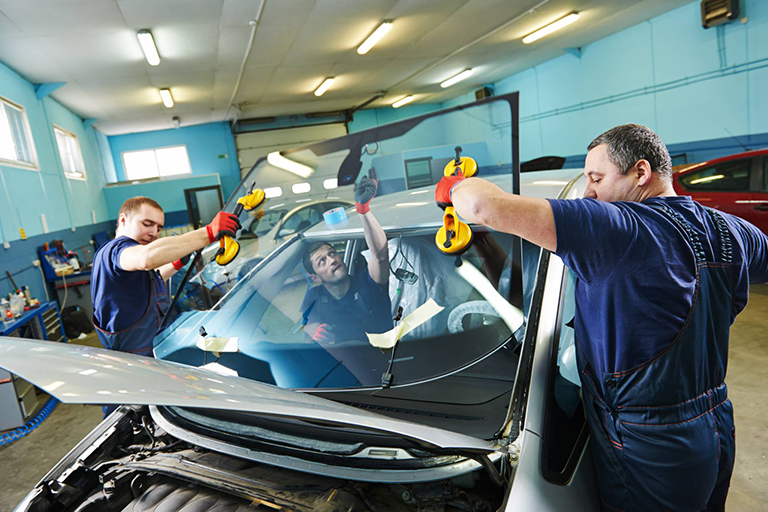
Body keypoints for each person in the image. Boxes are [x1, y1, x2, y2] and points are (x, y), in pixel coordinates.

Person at [435, 124, 768, 512]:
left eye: (596, 177)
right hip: (715, 426)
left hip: (649, 445)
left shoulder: (616, 227)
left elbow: (481, 208)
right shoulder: (732, 230)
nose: (590, 191)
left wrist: (455, 187)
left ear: (641, 173)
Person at [91, 196, 240, 358]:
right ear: (123, 220)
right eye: (147, 224)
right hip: (141, 358)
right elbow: (145, 258)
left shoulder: (128, 259)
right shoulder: (115, 250)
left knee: (231, 342)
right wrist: (208, 232)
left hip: (162, 343)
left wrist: (175, 264)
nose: (153, 233)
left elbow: (148, 283)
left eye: (159, 228)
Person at [300, 169, 392, 346]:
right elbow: (307, 332)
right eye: (322, 261)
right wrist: (313, 334)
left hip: (386, 361)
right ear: (315, 277)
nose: (332, 260)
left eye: (332, 253)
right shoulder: (314, 297)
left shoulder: (367, 283)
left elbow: (379, 256)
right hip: (345, 365)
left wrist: (363, 210)